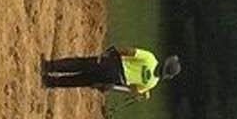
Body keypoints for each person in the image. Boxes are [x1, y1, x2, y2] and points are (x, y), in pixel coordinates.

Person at [42, 47, 181, 97]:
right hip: (115, 79)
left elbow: (129, 51)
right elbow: (131, 89)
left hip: (113, 64)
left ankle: (51, 66)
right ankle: (51, 82)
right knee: (82, 80)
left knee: (81, 64)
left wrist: (111, 52)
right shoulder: (152, 83)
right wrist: (112, 87)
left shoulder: (150, 58)